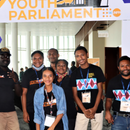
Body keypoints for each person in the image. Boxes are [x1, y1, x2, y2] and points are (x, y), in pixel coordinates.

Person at [71, 46, 106, 130]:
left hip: (97, 108)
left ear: (87, 55)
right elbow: (75, 95)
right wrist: (84, 110)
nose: (80, 58)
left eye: (82, 55)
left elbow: (100, 90)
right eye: (77, 56)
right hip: (82, 109)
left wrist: (94, 108)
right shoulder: (74, 74)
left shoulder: (97, 70)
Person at [21, 50, 45, 130]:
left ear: (43, 59)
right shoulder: (27, 73)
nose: (37, 61)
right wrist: (24, 112)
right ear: (32, 60)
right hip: (31, 109)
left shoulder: (47, 71)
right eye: (35, 59)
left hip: (46, 107)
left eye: (39, 58)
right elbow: (24, 93)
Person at [105, 56, 130, 130]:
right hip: (118, 118)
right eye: (122, 66)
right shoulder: (113, 81)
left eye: (127, 65)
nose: (125, 68)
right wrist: (107, 111)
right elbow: (109, 99)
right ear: (118, 67)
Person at [0, 47, 22, 130]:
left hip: (11, 112)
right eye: (2, 56)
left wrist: (16, 81)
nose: (5, 58)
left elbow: (19, 94)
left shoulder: (13, 73)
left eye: (7, 56)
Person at [55, 59, 77, 130]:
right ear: (55, 67)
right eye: (59, 65)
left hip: (69, 110)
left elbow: (76, 94)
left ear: (67, 68)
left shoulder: (71, 79)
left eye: (63, 65)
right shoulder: (52, 80)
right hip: (55, 111)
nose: (61, 67)